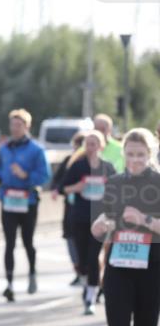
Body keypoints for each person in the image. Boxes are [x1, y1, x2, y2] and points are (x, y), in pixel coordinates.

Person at [91, 128, 160, 326]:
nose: (134, 160)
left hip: (151, 269)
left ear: (151, 154)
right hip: (119, 266)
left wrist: (144, 219)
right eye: (130, 154)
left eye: (140, 155)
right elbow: (105, 218)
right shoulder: (114, 183)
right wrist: (99, 226)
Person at [0, 108, 50, 302]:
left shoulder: (36, 149)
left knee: (27, 242)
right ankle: (9, 285)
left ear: (27, 126)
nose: (15, 128)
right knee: (9, 243)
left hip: (28, 202)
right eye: (13, 125)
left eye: (19, 125)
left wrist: (26, 176)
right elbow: (0, 174)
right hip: (8, 202)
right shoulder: (4, 149)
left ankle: (32, 273)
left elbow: (45, 176)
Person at [60, 130, 116, 315]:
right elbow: (62, 189)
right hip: (80, 218)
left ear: (101, 146)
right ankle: (87, 285)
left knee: (93, 258)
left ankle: (90, 297)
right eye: (87, 144)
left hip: (100, 220)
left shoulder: (108, 168)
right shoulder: (77, 166)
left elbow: (118, 192)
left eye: (94, 143)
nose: (90, 147)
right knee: (83, 259)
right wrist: (77, 187)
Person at [51, 132, 87, 286]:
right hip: (71, 209)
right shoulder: (69, 162)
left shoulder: (97, 164)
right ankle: (79, 271)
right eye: (76, 146)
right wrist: (72, 188)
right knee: (71, 239)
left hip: (92, 211)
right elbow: (57, 185)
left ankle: (91, 277)